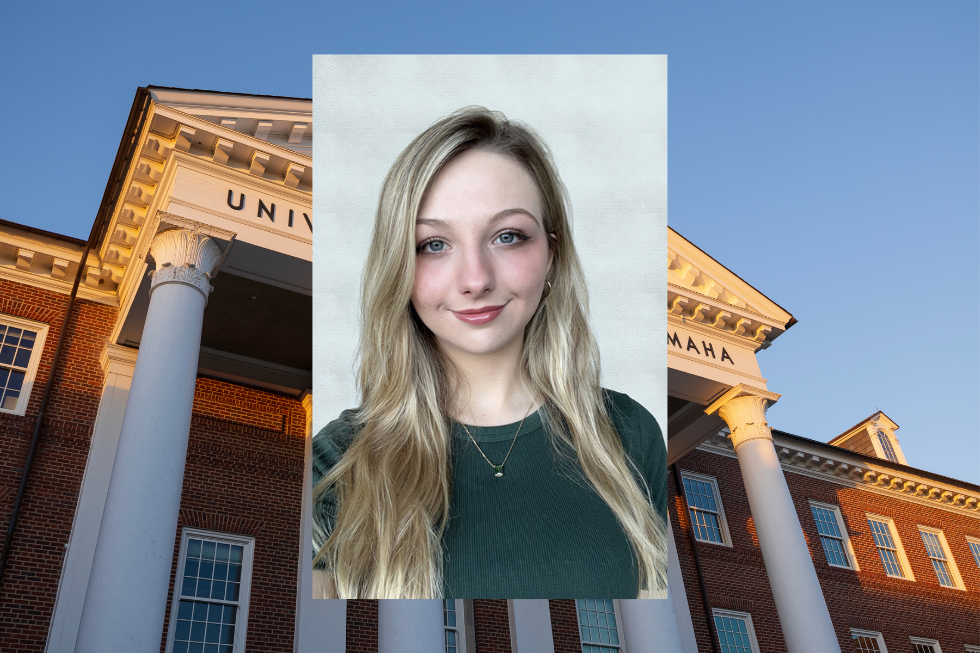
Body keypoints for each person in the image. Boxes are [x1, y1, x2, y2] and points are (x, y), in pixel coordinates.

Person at [312, 107, 667, 599]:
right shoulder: (336, 462)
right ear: (398, 267)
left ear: (551, 255)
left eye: (508, 236)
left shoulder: (630, 433)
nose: (475, 279)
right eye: (433, 244)